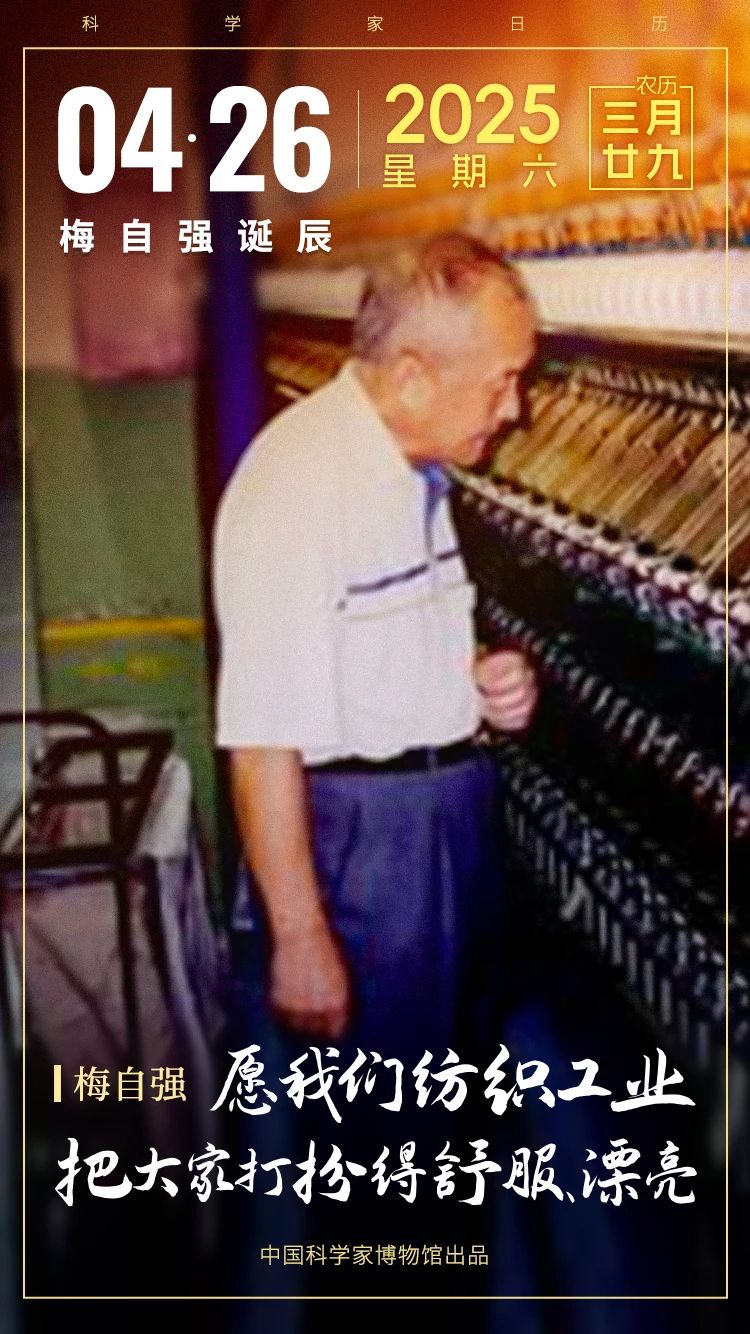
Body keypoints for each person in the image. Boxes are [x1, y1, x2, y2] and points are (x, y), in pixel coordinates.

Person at [213, 232, 538, 1063]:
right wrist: (300, 939)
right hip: (367, 852)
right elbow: (262, 746)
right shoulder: (297, 491)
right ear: (415, 378)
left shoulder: (413, 471)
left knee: (456, 1078)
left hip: (443, 821)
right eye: (502, 382)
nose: (515, 409)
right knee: (387, 1103)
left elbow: (381, 646)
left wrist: (480, 677)